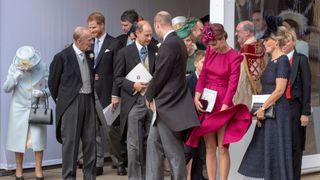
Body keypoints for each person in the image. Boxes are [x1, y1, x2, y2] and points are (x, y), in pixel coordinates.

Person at [186, 23, 251, 180]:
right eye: (210, 44)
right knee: (209, 147)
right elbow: (203, 76)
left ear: (223, 38)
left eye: (214, 43)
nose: (212, 47)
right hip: (208, 100)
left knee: (222, 147)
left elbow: (232, 86)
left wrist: (224, 107)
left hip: (223, 102)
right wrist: (197, 95)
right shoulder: (210, 50)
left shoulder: (235, 56)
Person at [145, 11, 200, 180]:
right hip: (168, 104)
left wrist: (148, 95)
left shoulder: (169, 44)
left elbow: (161, 74)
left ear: (157, 25)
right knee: (153, 144)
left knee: (174, 153)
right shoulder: (179, 43)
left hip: (169, 105)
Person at [238, 15, 294, 180]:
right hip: (268, 112)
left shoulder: (283, 61)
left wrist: (262, 108)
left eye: (266, 40)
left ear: (276, 42)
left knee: (277, 151)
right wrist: (259, 110)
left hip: (278, 113)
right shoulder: (271, 61)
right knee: (265, 150)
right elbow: (265, 89)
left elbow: (279, 90)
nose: (263, 43)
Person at [82, 11, 126, 176]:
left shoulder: (115, 44)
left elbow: (118, 72)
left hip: (108, 94)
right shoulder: (89, 44)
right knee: (92, 131)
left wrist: (116, 94)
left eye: (93, 27)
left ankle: (119, 161)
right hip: (89, 93)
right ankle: (97, 163)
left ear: (102, 25)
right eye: (89, 27)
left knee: (110, 131)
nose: (91, 30)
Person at [48, 27, 96, 180]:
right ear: (78, 40)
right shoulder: (62, 57)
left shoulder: (89, 54)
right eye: (89, 39)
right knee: (71, 142)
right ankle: (69, 176)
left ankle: (90, 176)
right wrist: (63, 100)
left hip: (88, 100)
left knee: (90, 141)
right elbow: (52, 83)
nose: (92, 42)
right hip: (71, 102)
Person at [114, 20, 158, 180]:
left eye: (151, 35)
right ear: (137, 33)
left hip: (151, 101)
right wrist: (133, 85)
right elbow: (117, 78)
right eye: (146, 35)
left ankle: (149, 176)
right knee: (134, 144)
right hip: (133, 103)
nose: (149, 38)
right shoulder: (124, 52)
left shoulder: (155, 49)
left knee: (151, 142)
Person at [3, 46, 49, 180]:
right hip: (19, 109)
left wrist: (43, 93)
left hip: (37, 107)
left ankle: (38, 170)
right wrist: (15, 77)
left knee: (38, 140)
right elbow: (6, 88)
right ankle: (18, 171)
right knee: (19, 140)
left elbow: (50, 86)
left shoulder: (42, 67)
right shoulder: (14, 67)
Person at [282, 29, 311, 180]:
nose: (285, 44)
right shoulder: (277, 59)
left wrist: (305, 112)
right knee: (282, 145)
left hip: (295, 107)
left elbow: (307, 87)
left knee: (295, 146)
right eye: (282, 41)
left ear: (293, 42)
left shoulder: (301, 59)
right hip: (280, 108)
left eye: (287, 41)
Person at [185, 50, 207, 180]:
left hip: (204, 122)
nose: (206, 65)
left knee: (200, 151)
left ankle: (197, 176)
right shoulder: (189, 80)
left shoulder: (210, 80)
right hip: (190, 122)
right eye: (203, 62)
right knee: (188, 152)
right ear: (195, 63)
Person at [234, 20, 266, 107]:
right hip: (262, 93)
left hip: (247, 97)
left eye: (238, 31)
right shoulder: (260, 46)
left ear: (247, 32)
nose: (236, 34)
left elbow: (241, 79)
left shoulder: (247, 49)